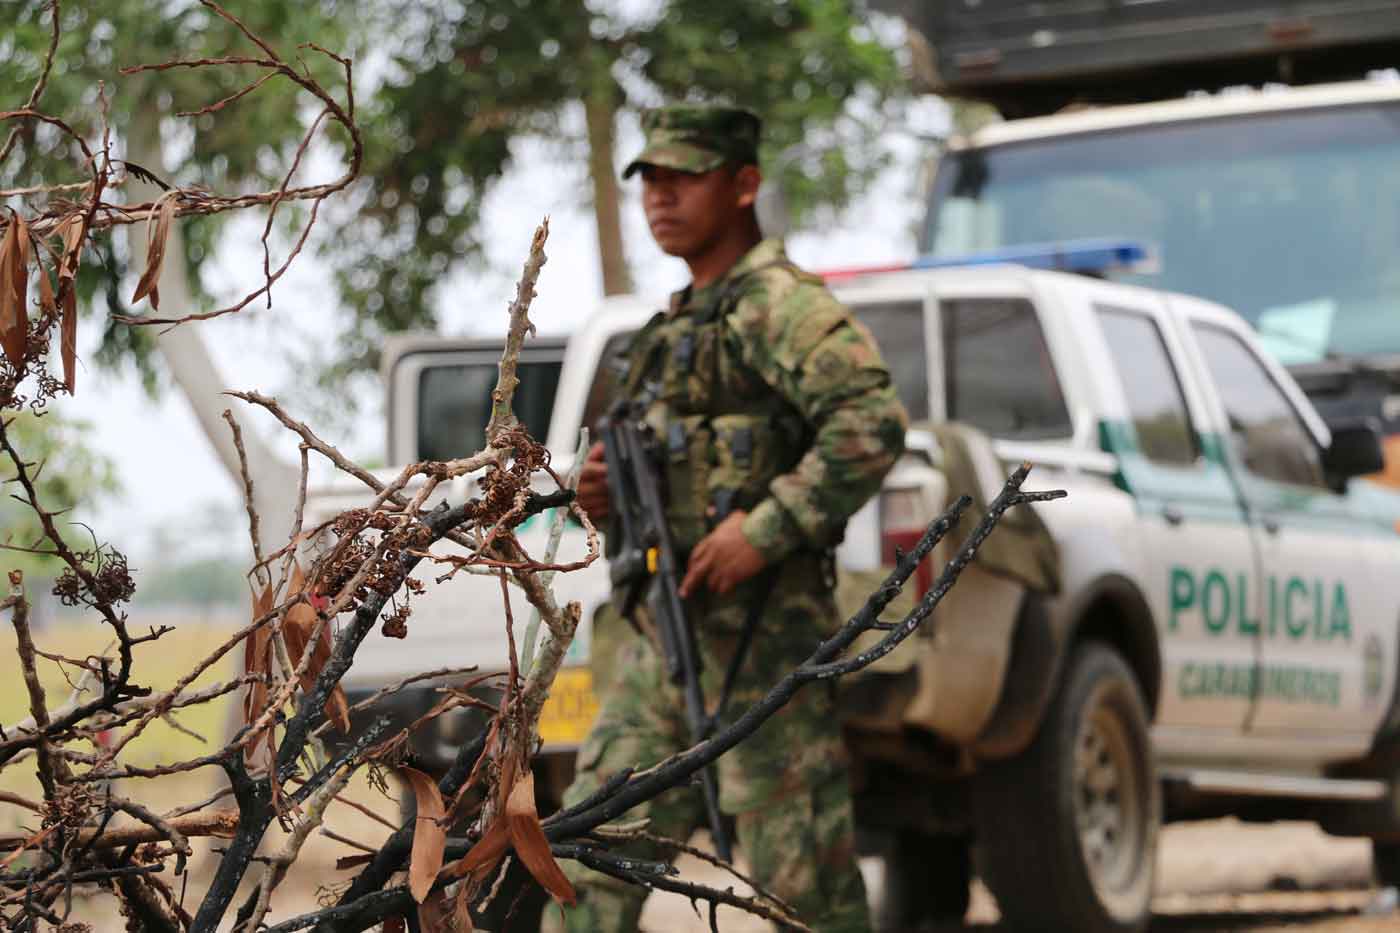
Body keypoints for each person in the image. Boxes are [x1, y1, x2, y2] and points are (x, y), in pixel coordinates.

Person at [555, 103, 907, 933]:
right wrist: (601, 493)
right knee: (589, 865)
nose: (660, 197)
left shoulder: (778, 306)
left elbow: (871, 423)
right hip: (659, 645)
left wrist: (764, 528)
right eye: (650, 180)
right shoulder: (667, 330)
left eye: (685, 178)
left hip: (762, 647)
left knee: (803, 888)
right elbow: (646, 467)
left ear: (744, 185)